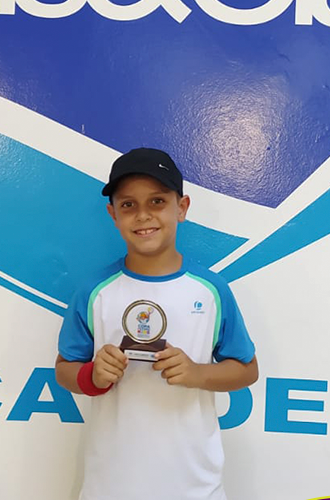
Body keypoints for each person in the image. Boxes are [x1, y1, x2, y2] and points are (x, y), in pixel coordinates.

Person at [55, 148, 258, 500]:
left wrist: (198, 373)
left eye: (157, 201)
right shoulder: (94, 291)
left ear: (182, 208)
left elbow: (247, 369)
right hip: (111, 487)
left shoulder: (211, 291)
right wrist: (93, 376)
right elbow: (64, 369)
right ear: (113, 214)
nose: (143, 215)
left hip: (195, 488)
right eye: (128, 204)